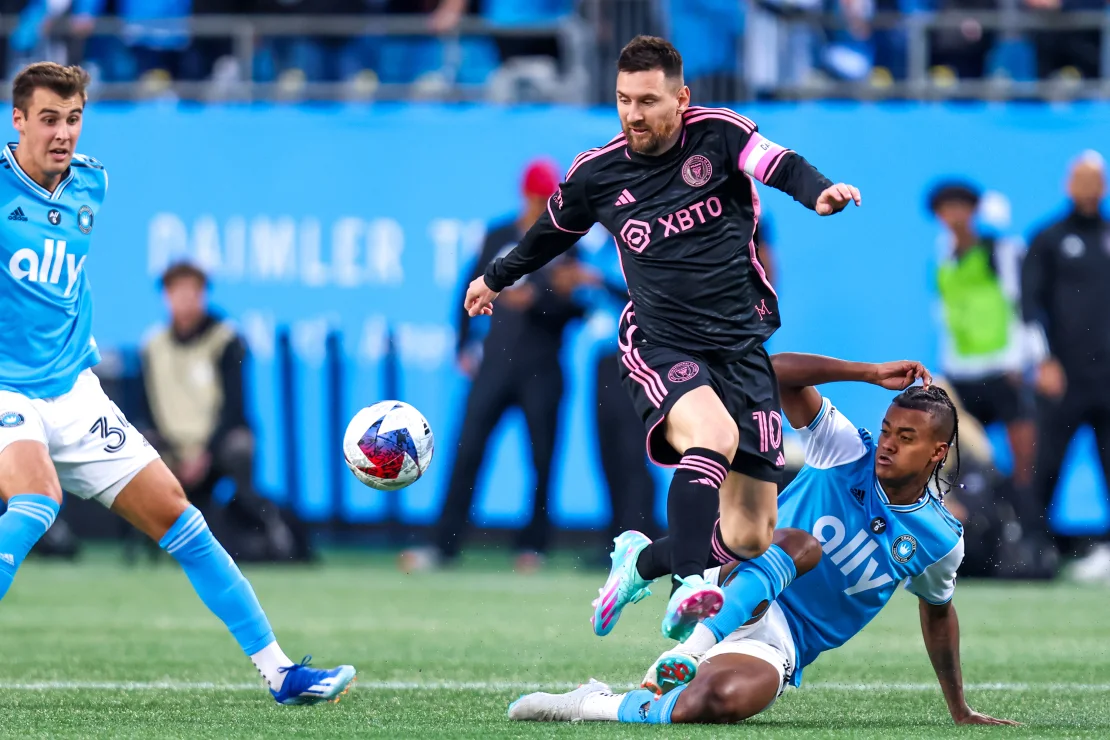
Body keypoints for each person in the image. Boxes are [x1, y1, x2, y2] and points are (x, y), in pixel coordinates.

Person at [464, 35, 861, 640]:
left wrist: (819, 192)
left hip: (740, 349)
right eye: (623, 100)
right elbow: (549, 233)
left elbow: (776, 164)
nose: (633, 115)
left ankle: (641, 561)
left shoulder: (720, 134)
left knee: (751, 532)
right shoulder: (599, 173)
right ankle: (690, 586)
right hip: (660, 341)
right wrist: (495, 279)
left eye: (648, 101)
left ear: (682, 98)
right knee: (713, 434)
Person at [0, 62, 353, 705]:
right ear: (17, 119)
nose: (63, 134)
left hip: (73, 392)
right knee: (37, 501)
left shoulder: (91, 185)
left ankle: (280, 672)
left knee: (182, 520)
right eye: (48, 119)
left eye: (73, 119)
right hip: (6, 390)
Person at [508, 353, 1019, 728]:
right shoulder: (845, 450)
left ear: (938, 453)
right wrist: (865, 373)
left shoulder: (940, 540)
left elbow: (938, 611)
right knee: (802, 544)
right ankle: (689, 643)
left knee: (715, 704)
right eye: (888, 429)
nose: (888, 444)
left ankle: (590, 703)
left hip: (781, 642)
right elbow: (770, 373)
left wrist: (960, 709)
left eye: (906, 439)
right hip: (727, 577)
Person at [401, 159, 591, 573]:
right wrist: (462, 343)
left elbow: (577, 308)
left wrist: (542, 300)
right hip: (496, 362)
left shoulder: (567, 241)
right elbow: (469, 287)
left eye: (549, 199)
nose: (543, 205)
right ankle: (443, 544)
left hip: (543, 367)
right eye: (539, 198)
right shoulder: (498, 235)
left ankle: (533, 545)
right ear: (526, 195)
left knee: (542, 458)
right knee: (467, 451)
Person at [134, 260, 296, 563]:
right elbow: (147, 408)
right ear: (165, 297)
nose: (184, 300)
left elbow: (235, 406)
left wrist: (203, 453)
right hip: (172, 447)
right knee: (138, 444)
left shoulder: (225, 339)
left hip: (215, 445)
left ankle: (267, 532)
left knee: (239, 446)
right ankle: (145, 544)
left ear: (203, 295)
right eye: (176, 292)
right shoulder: (152, 345)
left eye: (192, 292)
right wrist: (174, 451)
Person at [1022, 151, 1110, 581]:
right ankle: (1035, 548)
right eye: (1079, 177)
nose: (1087, 185)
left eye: (1095, 178)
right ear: (1067, 185)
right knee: (1048, 462)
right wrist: (1044, 361)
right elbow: (1030, 305)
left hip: (1108, 377)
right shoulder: (1049, 238)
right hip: (1065, 376)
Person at [926, 181, 1036, 512]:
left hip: (1004, 368)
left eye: (961, 206)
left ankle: (1029, 530)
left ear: (974, 210)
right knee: (961, 458)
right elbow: (944, 313)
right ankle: (975, 527)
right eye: (946, 208)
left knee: (1026, 462)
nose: (954, 215)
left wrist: (1024, 360)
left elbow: (1023, 306)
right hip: (962, 373)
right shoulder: (942, 258)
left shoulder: (1001, 250)